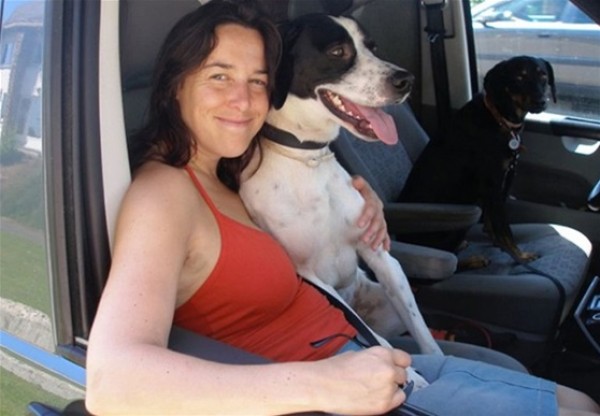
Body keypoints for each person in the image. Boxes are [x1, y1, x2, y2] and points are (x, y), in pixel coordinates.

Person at [85, 1, 600, 415]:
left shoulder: (234, 167)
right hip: (332, 379)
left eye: (259, 81)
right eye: (219, 76)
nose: (243, 100)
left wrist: (362, 201)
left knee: (581, 402)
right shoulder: (164, 193)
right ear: (175, 83)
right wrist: (324, 384)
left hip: (361, 349)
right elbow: (113, 382)